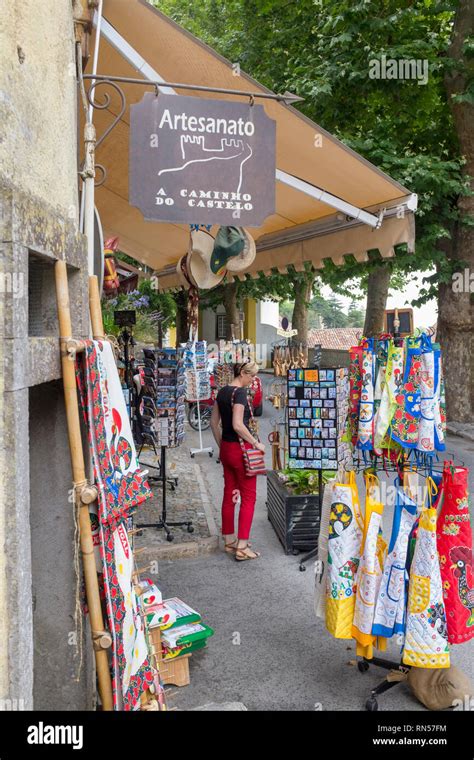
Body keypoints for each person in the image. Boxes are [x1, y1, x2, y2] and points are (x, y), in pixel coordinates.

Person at [210, 361, 265, 561]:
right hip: (242, 452)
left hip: (226, 449)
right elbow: (238, 424)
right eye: (251, 377)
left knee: (230, 494)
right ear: (242, 373)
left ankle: (229, 540)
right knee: (248, 497)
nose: (252, 381)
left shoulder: (222, 391)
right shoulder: (240, 394)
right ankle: (242, 546)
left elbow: (213, 423)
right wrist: (256, 444)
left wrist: (222, 445)